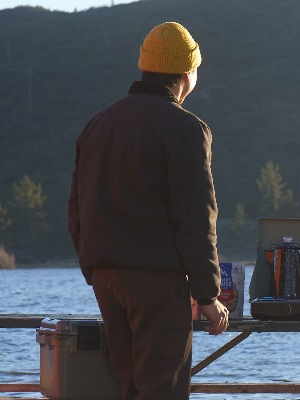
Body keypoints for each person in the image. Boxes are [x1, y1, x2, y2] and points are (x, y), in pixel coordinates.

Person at [67, 21, 228, 400]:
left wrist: (94, 268)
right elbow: (195, 217)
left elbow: (76, 206)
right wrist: (207, 295)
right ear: (186, 73)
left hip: (107, 277)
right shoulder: (186, 128)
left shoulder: (98, 124)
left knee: (130, 387)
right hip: (155, 281)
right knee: (161, 391)